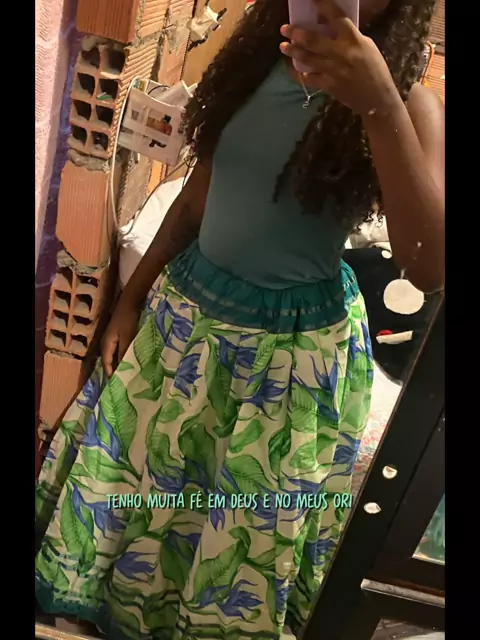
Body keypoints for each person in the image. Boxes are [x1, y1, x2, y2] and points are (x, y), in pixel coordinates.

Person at [35, 1, 445, 638]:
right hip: (186, 319)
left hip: (290, 356)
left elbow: (430, 266)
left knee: (240, 522)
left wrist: (379, 104)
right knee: (145, 489)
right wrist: (128, 300)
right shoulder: (255, 64)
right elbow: (197, 197)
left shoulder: (411, 105)